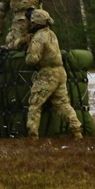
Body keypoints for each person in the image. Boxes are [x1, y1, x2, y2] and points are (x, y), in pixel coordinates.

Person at [23, 8, 82, 138]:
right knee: (62, 104)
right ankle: (76, 130)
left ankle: (32, 135)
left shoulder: (38, 37)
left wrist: (27, 52)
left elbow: (33, 59)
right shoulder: (51, 34)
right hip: (60, 72)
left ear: (34, 23)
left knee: (35, 103)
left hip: (47, 73)